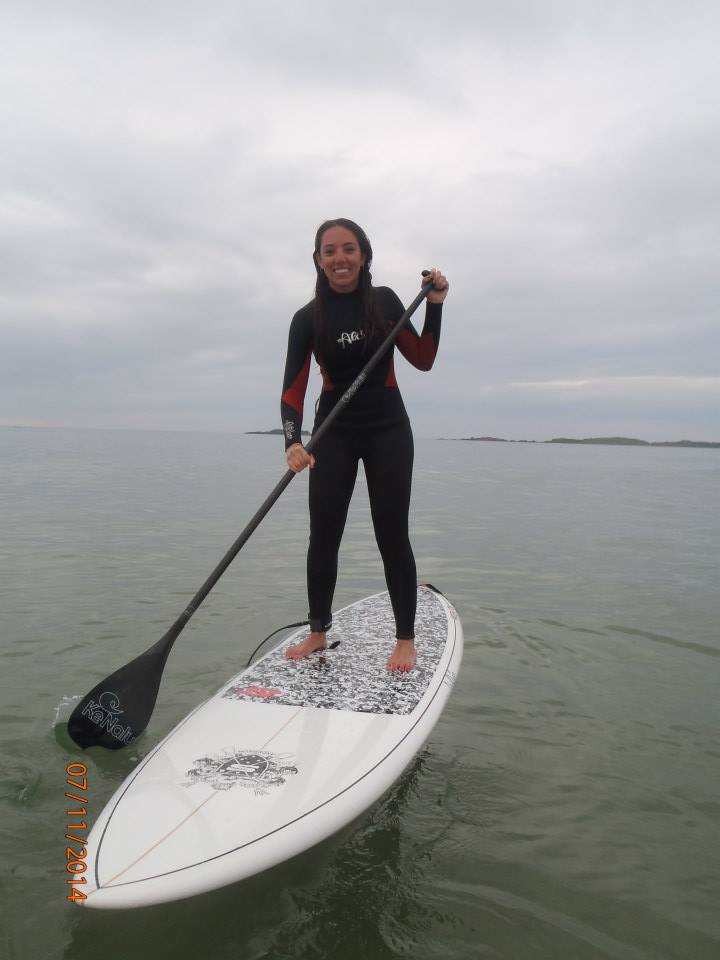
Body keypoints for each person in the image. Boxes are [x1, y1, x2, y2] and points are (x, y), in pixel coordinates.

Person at [280, 218, 449, 672]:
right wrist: (293, 443)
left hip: (388, 430)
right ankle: (318, 631)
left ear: (364, 255)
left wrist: (434, 305)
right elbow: (292, 392)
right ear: (318, 260)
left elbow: (424, 359)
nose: (340, 258)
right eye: (330, 250)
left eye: (349, 249)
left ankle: (405, 639)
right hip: (332, 433)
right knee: (324, 534)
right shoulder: (306, 320)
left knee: (391, 533)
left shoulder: (386, 301)